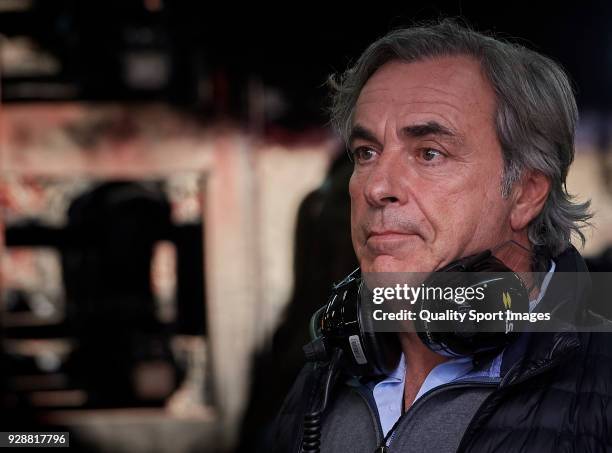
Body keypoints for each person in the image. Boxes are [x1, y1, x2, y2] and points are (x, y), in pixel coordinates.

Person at [271, 19, 612, 453]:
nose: (376, 187)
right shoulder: (328, 370)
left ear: (526, 192)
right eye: (366, 152)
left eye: (429, 153)